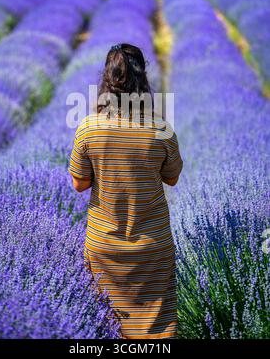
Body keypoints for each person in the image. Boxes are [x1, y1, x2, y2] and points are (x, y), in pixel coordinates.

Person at [68, 43, 183, 339]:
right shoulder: (161, 129)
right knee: (157, 329)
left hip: (105, 245)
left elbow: (79, 184)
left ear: (106, 79)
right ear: (143, 79)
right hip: (152, 247)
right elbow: (172, 179)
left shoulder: (88, 128)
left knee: (106, 326)